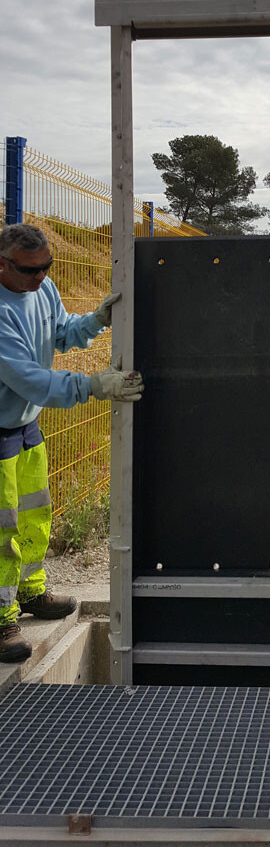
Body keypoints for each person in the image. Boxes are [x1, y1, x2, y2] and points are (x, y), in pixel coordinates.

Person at [0, 224, 143, 664]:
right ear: (2, 264)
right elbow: (32, 380)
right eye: (31, 270)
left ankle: (30, 592)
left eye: (47, 266)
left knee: (34, 515)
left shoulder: (41, 290)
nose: (41, 276)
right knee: (2, 530)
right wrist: (93, 386)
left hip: (25, 428)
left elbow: (62, 334)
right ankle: (1, 619)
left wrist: (95, 321)